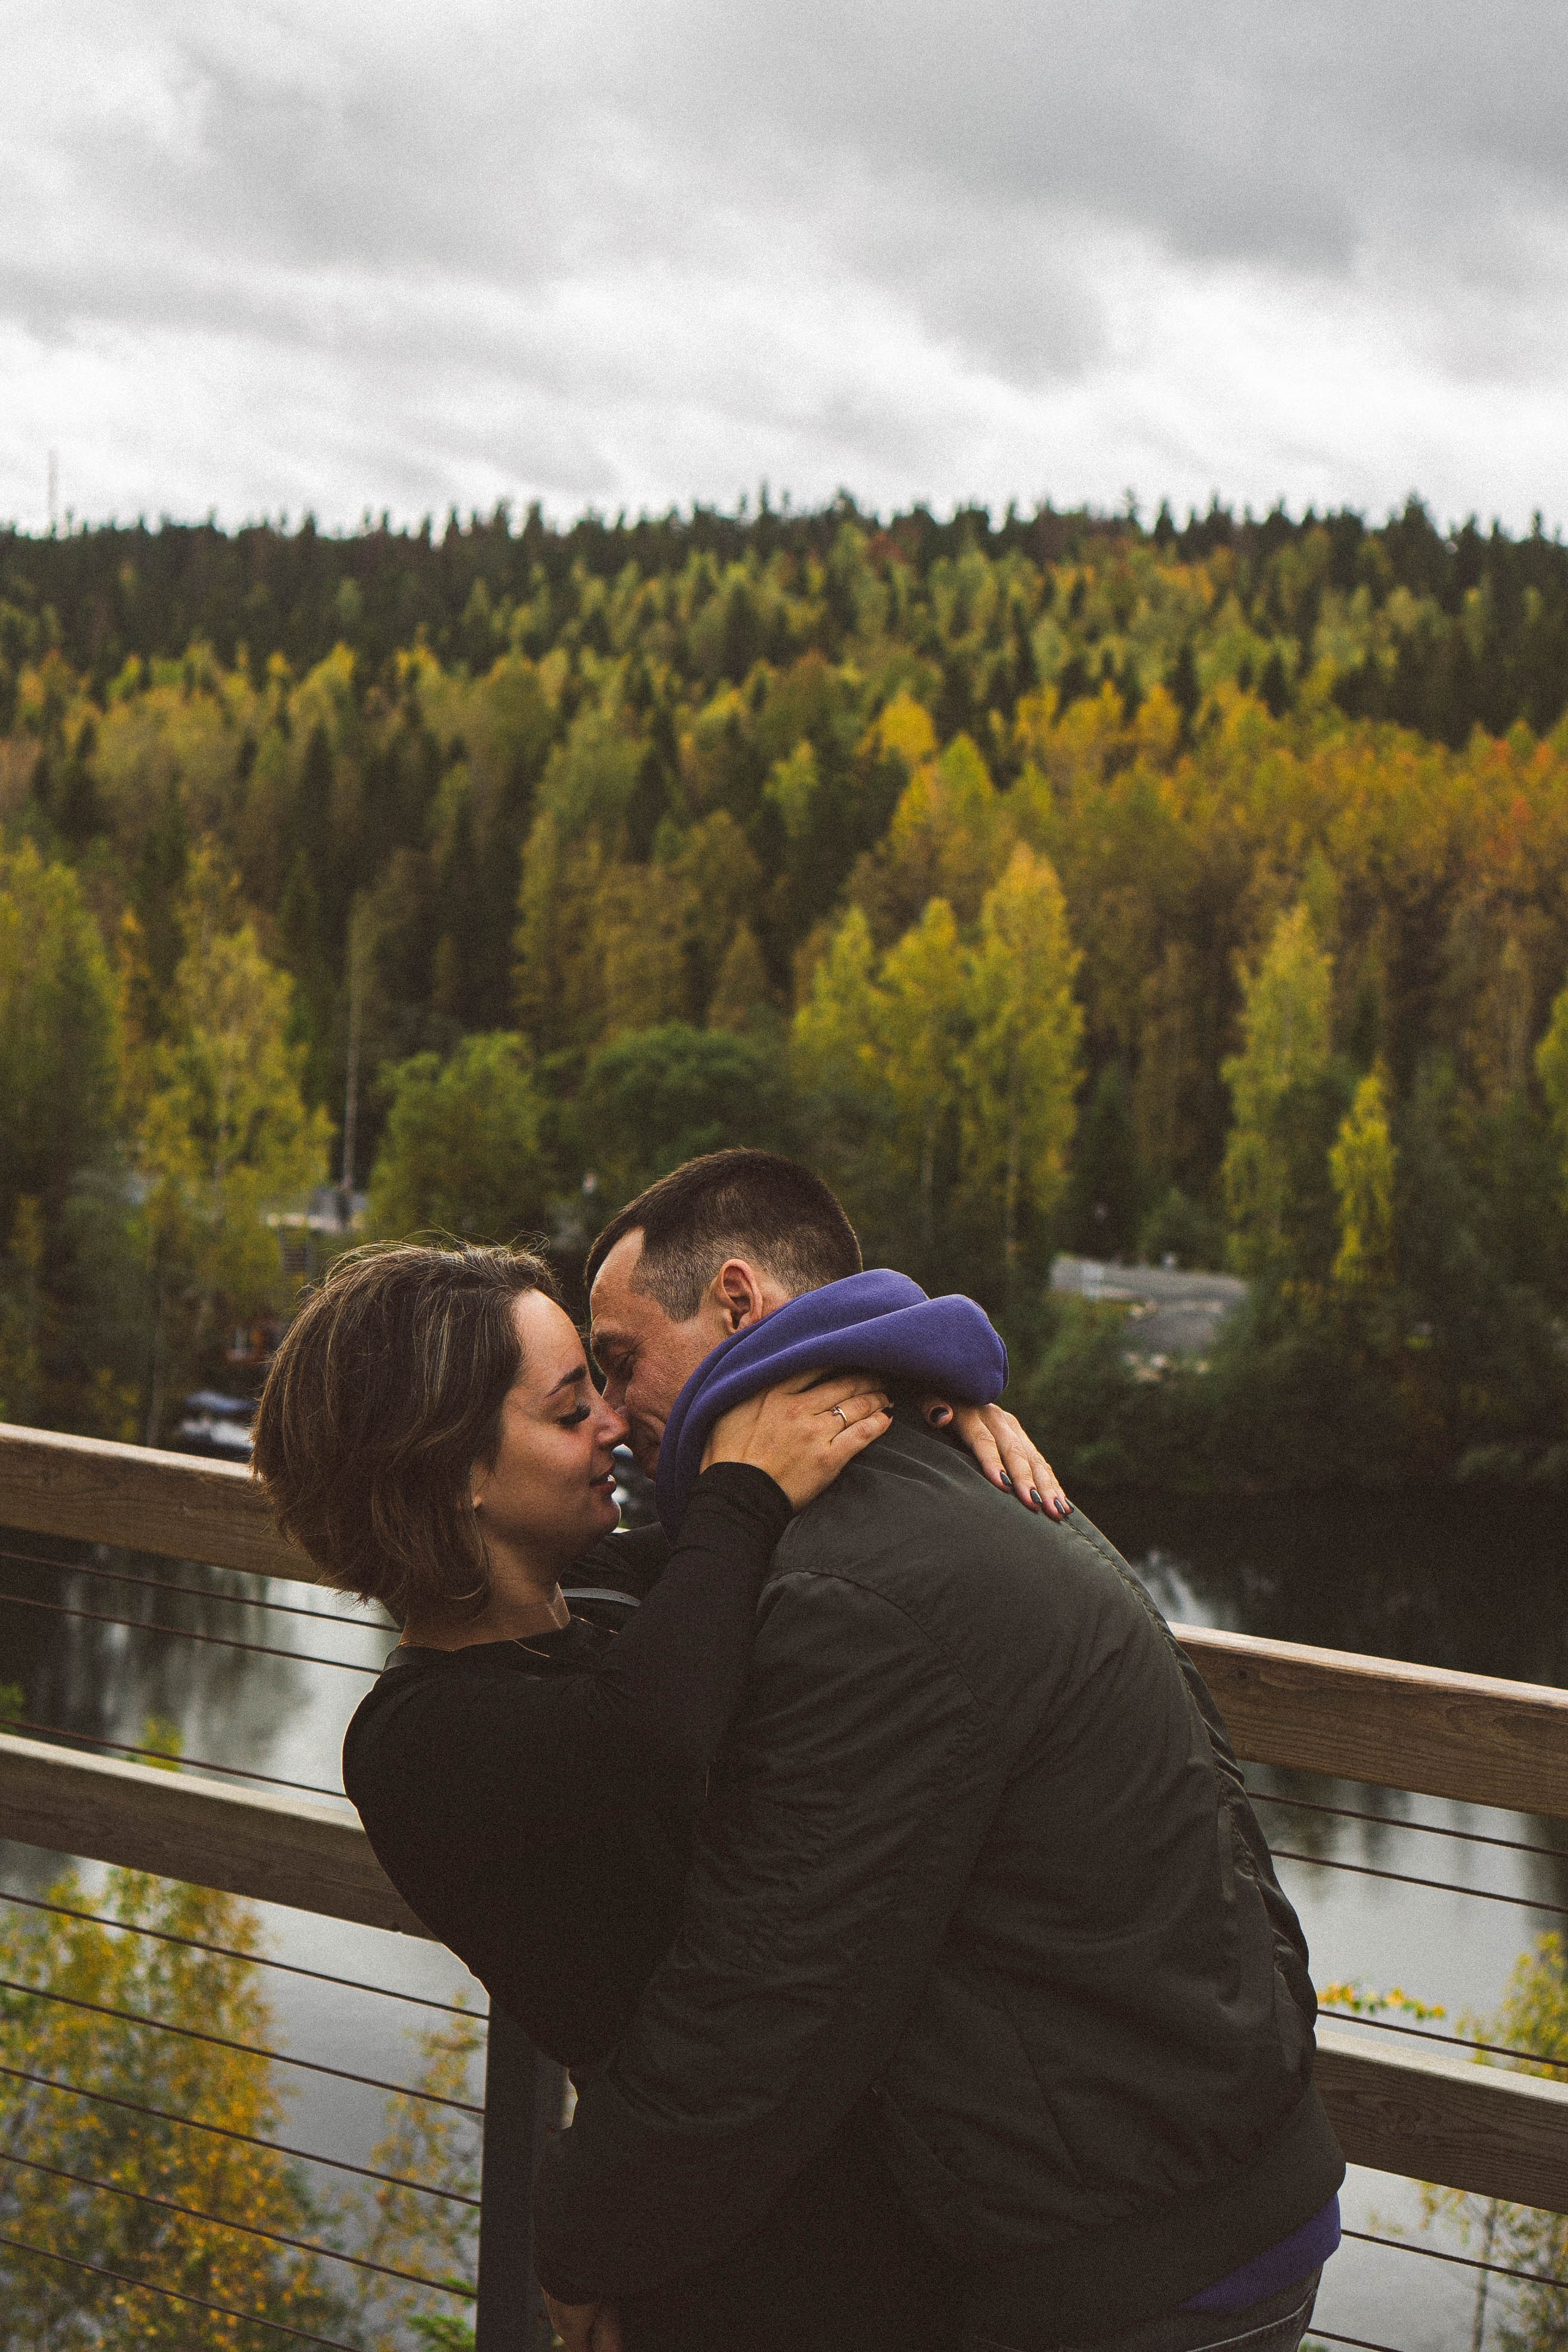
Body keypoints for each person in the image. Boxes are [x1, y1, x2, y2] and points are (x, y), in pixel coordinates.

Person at [532, 1148, 1344, 2352]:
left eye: (617, 1361)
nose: (610, 1415)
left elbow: (764, 1990)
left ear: (740, 1303)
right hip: (1194, 2190)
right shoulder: (930, 1479)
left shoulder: (858, 1578)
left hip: (1137, 2264)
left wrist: (581, 2236)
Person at [247, 1236, 1063, 2332]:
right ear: (457, 1476)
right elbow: (650, 1732)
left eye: (601, 1388)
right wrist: (737, 1492)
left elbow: (756, 1553)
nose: (615, 1425)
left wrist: (938, 1416)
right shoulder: (415, 1742)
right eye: (569, 1405)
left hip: (855, 2189)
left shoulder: (601, 1598)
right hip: (726, 2255)